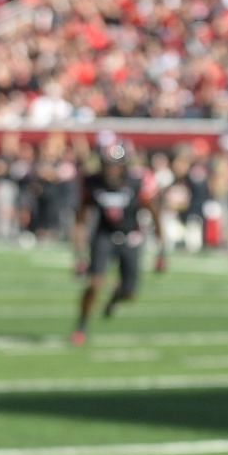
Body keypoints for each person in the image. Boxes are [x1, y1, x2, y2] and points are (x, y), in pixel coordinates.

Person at [71, 143, 158, 346]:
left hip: (130, 237)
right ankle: (82, 325)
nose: (111, 170)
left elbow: (154, 211)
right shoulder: (94, 183)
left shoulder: (136, 183)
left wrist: (162, 251)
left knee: (129, 293)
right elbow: (81, 219)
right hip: (104, 236)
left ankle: (113, 300)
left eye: (116, 165)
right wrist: (79, 255)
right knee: (94, 284)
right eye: (108, 165)